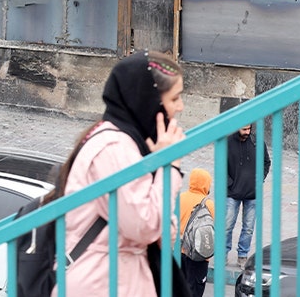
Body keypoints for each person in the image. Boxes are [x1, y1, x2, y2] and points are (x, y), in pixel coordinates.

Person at [52, 50, 188, 297]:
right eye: (175, 98)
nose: (180, 107)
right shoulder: (114, 148)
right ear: (150, 103)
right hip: (100, 284)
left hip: (118, 281)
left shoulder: (128, 145)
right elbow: (146, 226)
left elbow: (161, 232)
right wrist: (169, 168)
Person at [226, 123, 270, 267]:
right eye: (244, 128)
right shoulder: (227, 143)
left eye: (249, 129)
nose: (247, 131)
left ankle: (242, 255)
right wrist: (229, 183)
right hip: (232, 192)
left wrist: (260, 179)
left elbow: (266, 162)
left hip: (252, 193)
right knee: (227, 225)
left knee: (249, 227)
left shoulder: (258, 143)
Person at [179, 168, 215, 297]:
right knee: (195, 290)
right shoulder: (209, 205)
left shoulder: (180, 198)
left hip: (180, 251)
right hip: (198, 254)